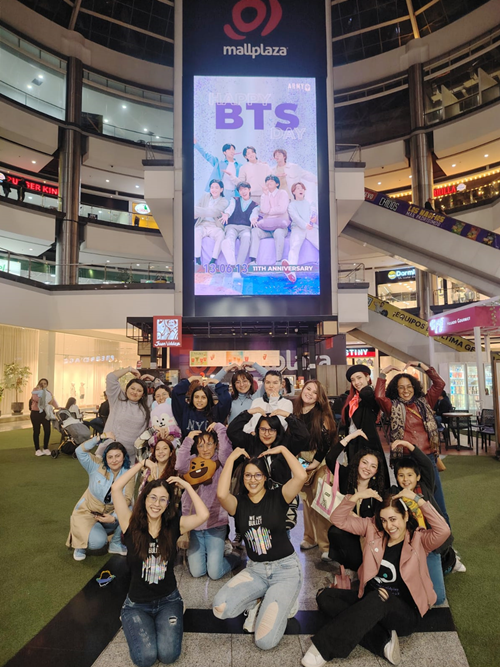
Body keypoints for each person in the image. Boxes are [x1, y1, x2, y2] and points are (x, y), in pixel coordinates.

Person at [301, 491, 450, 667]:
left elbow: (444, 530)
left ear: (405, 516)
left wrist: (418, 500)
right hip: (370, 599)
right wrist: (355, 497)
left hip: (404, 612)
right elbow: (338, 520)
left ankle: (323, 648)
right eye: (384, 520)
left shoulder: (420, 539)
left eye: (393, 519)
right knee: (325, 597)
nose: (389, 526)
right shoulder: (373, 529)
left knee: (380, 596)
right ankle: (383, 642)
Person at [111, 457, 209, 667]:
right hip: (137, 604)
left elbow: (203, 514)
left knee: (168, 655)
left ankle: (164, 620)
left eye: (163, 499)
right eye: (152, 497)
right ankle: (128, 617)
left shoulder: (174, 526)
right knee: (144, 659)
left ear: (168, 503)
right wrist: (142, 464)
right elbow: (116, 488)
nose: (156, 504)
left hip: (168, 600)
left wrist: (186, 486)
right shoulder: (130, 524)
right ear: (145, 498)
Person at [213, 445, 308, 649]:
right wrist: (231, 458)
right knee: (220, 608)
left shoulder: (279, 496)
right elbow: (221, 494)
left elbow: (301, 476)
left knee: (264, 641)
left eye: (257, 475)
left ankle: (284, 600)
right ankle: (260, 599)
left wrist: (283, 449)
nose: (252, 479)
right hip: (256, 570)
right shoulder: (239, 503)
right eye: (248, 475)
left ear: (265, 477)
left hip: (285, 570)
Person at [390, 440, 465, 607]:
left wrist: (408, 445)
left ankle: (449, 561)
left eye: (410, 475)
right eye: (401, 475)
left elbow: (426, 464)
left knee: (438, 597)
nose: (405, 479)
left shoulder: (425, 487)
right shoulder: (395, 493)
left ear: (417, 477)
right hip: (409, 548)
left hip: (430, 546)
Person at [375, 361, 449, 525]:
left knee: (436, 500)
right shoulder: (392, 407)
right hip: (404, 460)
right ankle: (415, 537)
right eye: (401, 387)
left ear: (414, 387)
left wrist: (422, 366)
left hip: (427, 457)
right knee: (409, 503)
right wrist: (384, 372)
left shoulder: (425, 402)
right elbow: (379, 396)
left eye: (409, 386)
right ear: (396, 389)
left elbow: (439, 383)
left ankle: (444, 542)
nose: (406, 390)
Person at [175, 423, 240, 579]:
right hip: (194, 525)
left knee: (215, 573)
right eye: (201, 445)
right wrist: (188, 440)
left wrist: (219, 427)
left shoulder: (222, 461)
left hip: (215, 524)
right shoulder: (192, 461)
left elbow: (226, 451)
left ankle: (234, 557)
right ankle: (212, 554)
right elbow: (179, 465)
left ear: (215, 445)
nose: (205, 449)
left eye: (209, 444)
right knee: (197, 572)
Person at [325, 433, 389, 573]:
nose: (367, 468)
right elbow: (330, 458)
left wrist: (358, 519)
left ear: (377, 471)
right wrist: (350, 437)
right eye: (364, 462)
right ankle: (346, 563)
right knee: (335, 532)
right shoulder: (346, 476)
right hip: (346, 527)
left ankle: (358, 567)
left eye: (373, 466)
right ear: (358, 462)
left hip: (365, 532)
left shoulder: (377, 490)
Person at [67, 432, 134, 561]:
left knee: (130, 510)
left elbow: (126, 499)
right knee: (98, 543)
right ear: (105, 458)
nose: (114, 460)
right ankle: (80, 545)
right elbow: (79, 451)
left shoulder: (128, 473)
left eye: (117, 456)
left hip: (109, 515)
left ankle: (115, 543)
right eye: (110, 457)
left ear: (124, 456)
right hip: (88, 512)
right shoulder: (96, 465)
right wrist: (99, 438)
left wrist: (113, 518)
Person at [293, 380, 338, 560]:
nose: (310, 393)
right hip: (300, 461)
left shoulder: (322, 416)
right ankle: (309, 537)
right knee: (307, 502)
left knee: (321, 503)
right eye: (308, 389)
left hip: (320, 462)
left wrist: (315, 462)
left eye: (315, 392)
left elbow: (327, 442)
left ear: (319, 398)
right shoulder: (296, 412)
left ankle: (326, 545)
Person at [342, 364, 390, 488]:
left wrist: (382, 375)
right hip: (352, 445)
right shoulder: (353, 399)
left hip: (367, 445)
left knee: (371, 482)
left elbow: (366, 393)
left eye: (359, 378)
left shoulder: (370, 395)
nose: (356, 382)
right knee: (354, 482)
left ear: (367, 377)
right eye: (353, 380)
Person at [95, 367, 153, 463]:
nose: (135, 392)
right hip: (109, 451)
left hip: (131, 456)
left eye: (139, 390)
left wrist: (152, 378)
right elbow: (111, 377)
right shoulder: (117, 398)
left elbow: (165, 393)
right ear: (126, 389)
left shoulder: (147, 404)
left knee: (127, 478)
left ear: (143, 394)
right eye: (132, 388)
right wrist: (129, 369)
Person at [282, 182, 319, 283]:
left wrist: (313, 220)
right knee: (294, 247)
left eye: (302, 188)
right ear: (293, 192)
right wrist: (304, 225)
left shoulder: (310, 203)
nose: (301, 190)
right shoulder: (291, 205)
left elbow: (313, 214)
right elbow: (295, 218)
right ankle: (291, 272)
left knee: (322, 245)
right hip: (298, 228)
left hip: (311, 228)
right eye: (298, 188)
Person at [249, 175, 289, 266]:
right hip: (266, 227)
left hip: (280, 226)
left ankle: (278, 262)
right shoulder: (264, 195)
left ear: (277, 184)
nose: (269, 182)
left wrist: (269, 212)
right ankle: (253, 261)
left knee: (279, 233)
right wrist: (266, 195)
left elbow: (281, 209)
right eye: (267, 181)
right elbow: (264, 209)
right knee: (255, 231)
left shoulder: (282, 193)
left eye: (271, 181)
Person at [220, 181, 260, 269]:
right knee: (229, 237)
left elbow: (254, 214)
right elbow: (230, 208)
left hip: (245, 228)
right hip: (232, 226)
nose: (243, 192)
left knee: (246, 238)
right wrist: (226, 214)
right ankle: (232, 262)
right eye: (241, 190)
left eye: (245, 189)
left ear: (249, 190)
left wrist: (253, 219)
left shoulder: (255, 205)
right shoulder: (234, 200)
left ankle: (238, 266)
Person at [240, 370, 294, 434]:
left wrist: (273, 401)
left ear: (281, 385)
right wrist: (251, 431)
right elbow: (247, 424)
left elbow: (279, 425)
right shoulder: (256, 401)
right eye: (268, 382)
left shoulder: (287, 403)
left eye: (275, 383)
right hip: (255, 441)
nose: (271, 386)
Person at [194, 179, 228, 268]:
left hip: (215, 225)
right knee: (196, 231)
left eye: (216, 187)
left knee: (221, 235)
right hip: (203, 223)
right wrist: (194, 212)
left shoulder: (224, 201)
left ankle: (213, 260)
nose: (214, 190)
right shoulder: (205, 196)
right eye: (212, 187)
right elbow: (196, 210)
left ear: (221, 189)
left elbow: (214, 212)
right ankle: (197, 259)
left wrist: (194, 209)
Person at [30, 378, 59, 456]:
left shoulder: (49, 392)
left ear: (47, 385)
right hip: (35, 413)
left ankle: (46, 448)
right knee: (36, 431)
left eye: (45, 383)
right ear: (39, 384)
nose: (43, 384)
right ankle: (37, 449)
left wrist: (58, 407)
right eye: (41, 383)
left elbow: (53, 401)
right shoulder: (35, 390)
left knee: (47, 430)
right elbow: (36, 399)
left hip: (45, 414)